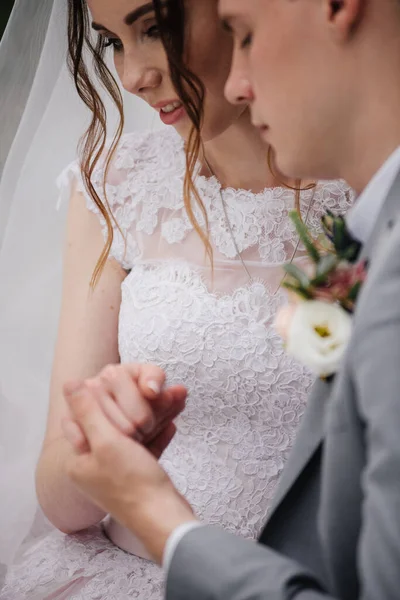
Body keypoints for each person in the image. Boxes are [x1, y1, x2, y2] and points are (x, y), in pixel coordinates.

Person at [0, 0, 353, 598]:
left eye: (154, 30)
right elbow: (60, 493)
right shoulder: (117, 186)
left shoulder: (365, 191)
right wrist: (104, 447)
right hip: (123, 572)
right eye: (112, 42)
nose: (133, 75)